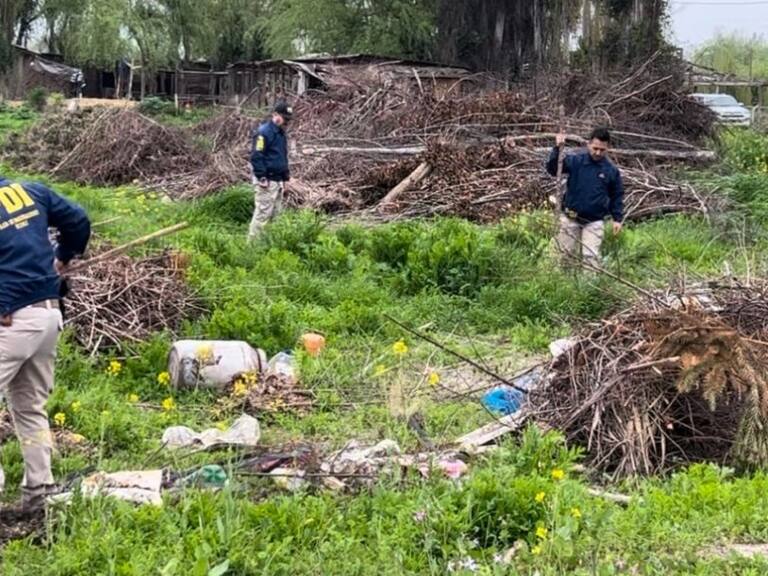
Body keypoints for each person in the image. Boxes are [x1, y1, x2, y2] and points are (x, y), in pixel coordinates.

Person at [0, 177, 90, 512]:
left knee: (27, 407)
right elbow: (78, 220)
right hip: (48, 315)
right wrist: (63, 257)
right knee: (29, 409)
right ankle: (40, 493)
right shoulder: (28, 191)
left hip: (10, 322)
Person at [545, 127, 624, 269]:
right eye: (595, 148)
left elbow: (617, 195)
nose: (598, 152)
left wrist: (617, 218)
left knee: (591, 258)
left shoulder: (611, 170)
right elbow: (552, 169)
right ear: (588, 144)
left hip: (594, 221)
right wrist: (557, 148)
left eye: (602, 150)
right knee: (561, 256)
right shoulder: (576, 161)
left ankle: (589, 288)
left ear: (608, 148)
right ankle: (557, 286)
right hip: (570, 217)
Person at [248, 102, 293, 241]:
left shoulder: (281, 134)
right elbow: (257, 156)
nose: (286, 121)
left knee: (276, 216)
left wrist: (285, 179)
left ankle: (271, 244)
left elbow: (282, 157)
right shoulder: (264, 132)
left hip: (278, 181)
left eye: (288, 119)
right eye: (283, 118)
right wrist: (262, 177)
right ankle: (252, 247)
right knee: (262, 214)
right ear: (275, 115)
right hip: (266, 181)